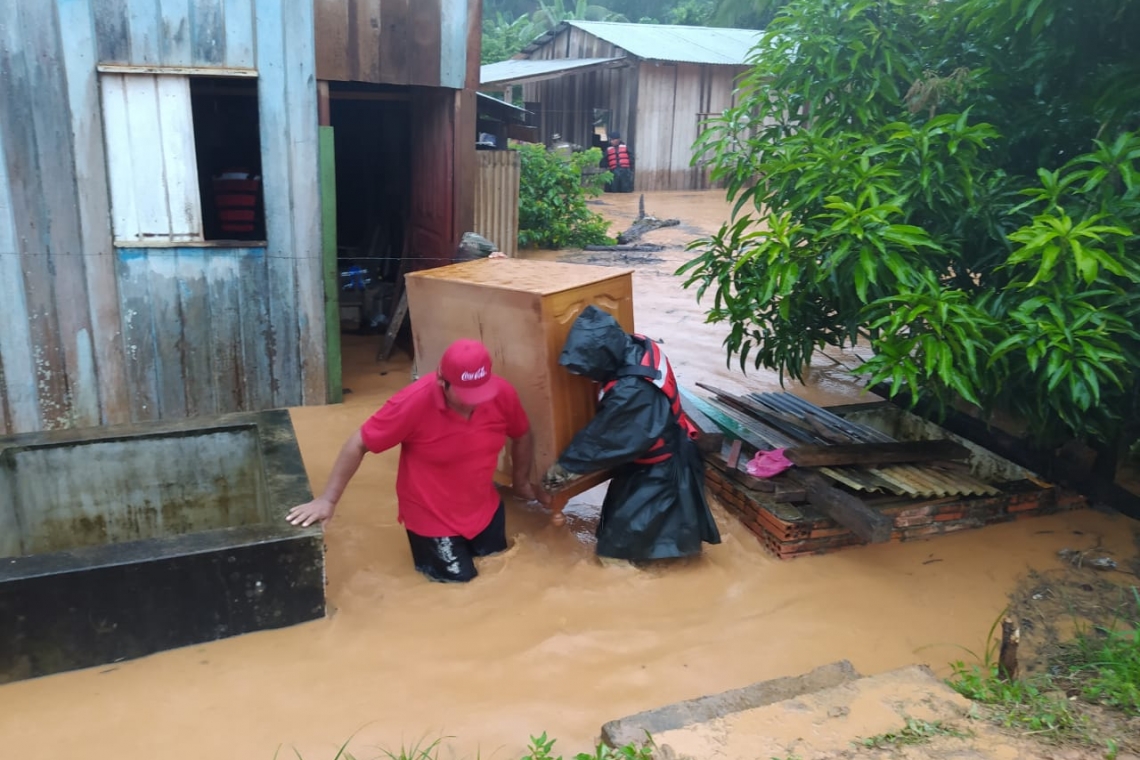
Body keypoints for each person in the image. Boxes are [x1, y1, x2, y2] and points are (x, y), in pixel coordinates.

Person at [287, 339, 550, 583]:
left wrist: (521, 483)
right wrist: (328, 500)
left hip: (484, 508)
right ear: (441, 380)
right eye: (466, 396)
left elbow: (521, 434)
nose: (474, 405)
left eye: (480, 394)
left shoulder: (501, 393)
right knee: (461, 588)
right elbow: (358, 443)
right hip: (431, 517)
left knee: (501, 571)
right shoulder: (412, 403)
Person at [541, 306, 721, 561]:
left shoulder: (632, 390)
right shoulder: (637, 346)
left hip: (660, 474)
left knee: (617, 552)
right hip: (665, 455)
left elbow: (603, 440)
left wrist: (561, 471)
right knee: (631, 533)